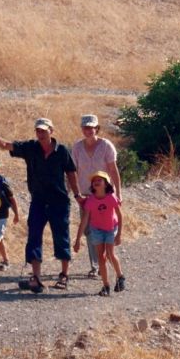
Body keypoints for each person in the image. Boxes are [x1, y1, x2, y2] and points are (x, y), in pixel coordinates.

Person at [0, 118, 81, 293]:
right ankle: (36, 278)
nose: (41, 134)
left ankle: (64, 275)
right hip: (38, 200)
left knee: (61, 236)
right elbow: (5, 145)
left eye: (44, 131)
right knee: (34, 236)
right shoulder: (30, 148)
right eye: (38, 131)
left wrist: (77, 194)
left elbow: (71, 172)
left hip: (59, 201)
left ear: (51, 131)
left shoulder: (62, 151)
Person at [71, 113, 122, 278]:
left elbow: (113, 170)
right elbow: (73, 172)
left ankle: (102, 263)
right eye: (85, 127)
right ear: (82, 129)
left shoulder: (106, 146)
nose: (88, 130)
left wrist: (118, 194)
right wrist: (76, 194)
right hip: (86, 195)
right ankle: (96, 264)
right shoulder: (77, 147)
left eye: (91, 127)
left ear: (97, 128)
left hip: (104, 195)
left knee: (105, 228)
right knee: (88, 230)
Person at [73, 171, 125, 296]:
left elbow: (119, 215)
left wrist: (119, 234)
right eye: (94, 181)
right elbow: (84, 220)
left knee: (110, 254)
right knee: (101, 257)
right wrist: (78, 240)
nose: (96, 182)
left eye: (99, 180)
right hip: (96, 229)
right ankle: (106, 286)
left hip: (111, 228)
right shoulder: (90, 201)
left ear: (106, 184)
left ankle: (120, 276)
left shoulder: (111, 197)